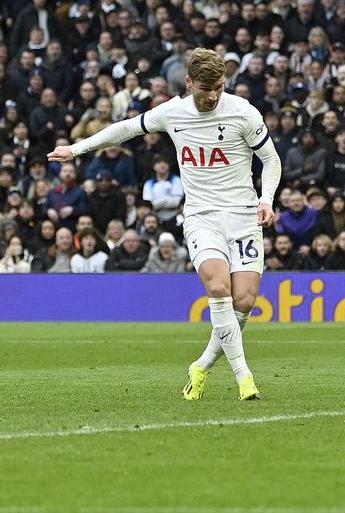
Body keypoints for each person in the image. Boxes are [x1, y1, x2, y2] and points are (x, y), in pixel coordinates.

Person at [50, 49, 281, 402]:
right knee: (219, 289)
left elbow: (270, 159)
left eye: (219, 87)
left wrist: (266, 199)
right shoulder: (173, 112)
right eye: (206, 89)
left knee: (245, 301)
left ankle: (201, 365)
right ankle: (244, 378)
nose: (214, 96)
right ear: (189, 83)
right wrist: (77, 149)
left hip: (243, 216)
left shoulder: (243, 112)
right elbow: (126, 129)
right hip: (202, 217)